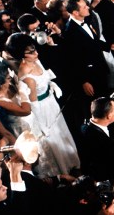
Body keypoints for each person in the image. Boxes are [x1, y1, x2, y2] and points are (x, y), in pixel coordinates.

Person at [11, 34, 80, 177]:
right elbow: (34, 105)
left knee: (63, 133)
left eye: (34, 49)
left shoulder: (36, 61)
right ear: (21, 54)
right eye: (30, 52)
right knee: (54, 137)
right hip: (42, 110)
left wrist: (52, 85)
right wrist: (42, 127)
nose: (36, 53)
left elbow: (45, 77)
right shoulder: (26, 75)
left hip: (51, 102)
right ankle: (65, 171)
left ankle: (74, 164)